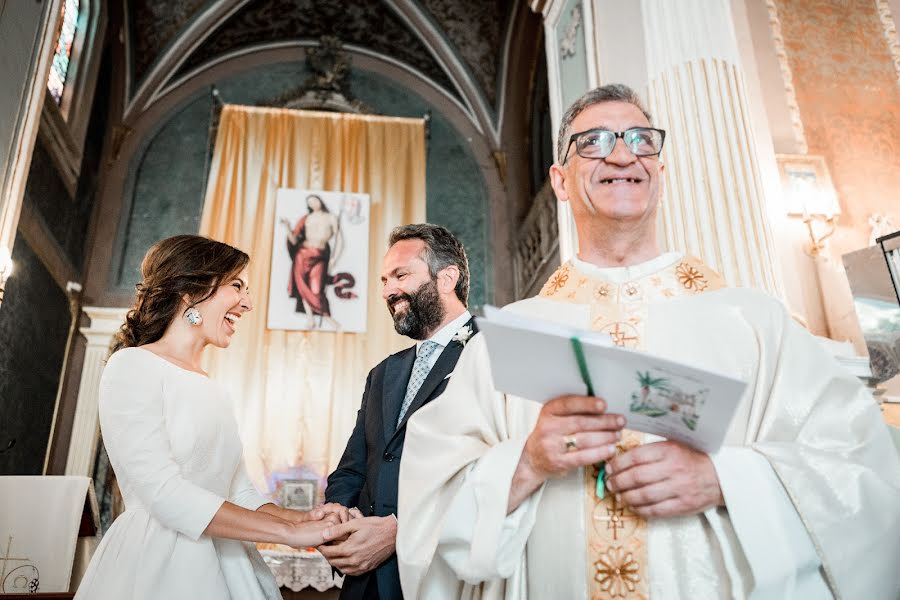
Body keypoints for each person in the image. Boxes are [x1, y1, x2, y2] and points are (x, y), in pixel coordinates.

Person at [396, 85, 900, 599]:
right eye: (593, 142)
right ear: (560, 180)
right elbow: (427, 505)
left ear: (659, 171)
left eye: (641, 140)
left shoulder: (755, 322)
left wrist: (729, 479)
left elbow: (862, 468)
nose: (622, 154)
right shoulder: (506, 341)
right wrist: (527, 463)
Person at [75, 235, 344, 600]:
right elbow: (163, 492)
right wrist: (287, 535)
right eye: (237, 286)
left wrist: (301, 519)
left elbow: (239, 492)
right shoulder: (132, 366)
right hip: (160, 562)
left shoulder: (213, 388)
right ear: (191, 291)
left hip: (229, 562)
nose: (247, 303)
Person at [319, 224, 477, 600]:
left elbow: (495, 471)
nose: (388, 291)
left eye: (401, 275)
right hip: (368, 584)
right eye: (384, 280)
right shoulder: (383, 373)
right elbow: (354, 468)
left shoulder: (493, 351)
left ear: (447, 278)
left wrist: (402, 530)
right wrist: (339, 522)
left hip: (442, 577)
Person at [281, 193, 343, 329]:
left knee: (316, 289)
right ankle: (310, 319)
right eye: (310, 203)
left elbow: (339, 240)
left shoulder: (330, 217)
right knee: (304, 287)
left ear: (320, 201)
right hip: (302, 254)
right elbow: (294, 240)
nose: (313, 204)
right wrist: (287, 228)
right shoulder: (306, 218)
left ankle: (326, 317)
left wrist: (334, 258)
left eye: (314, 200)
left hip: (319, 256)